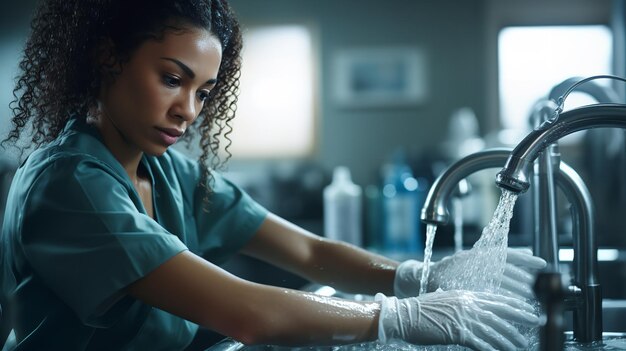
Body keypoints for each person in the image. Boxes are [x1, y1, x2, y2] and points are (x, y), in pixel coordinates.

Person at [0, 0, 547, 350]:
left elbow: (309, 254)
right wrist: (397, 317)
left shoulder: (167, 172)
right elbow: (248, 314)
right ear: (107, 58)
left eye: (204, 92)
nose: (189, 111)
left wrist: (421, 278)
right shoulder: (70, 185)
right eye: (172, 79)